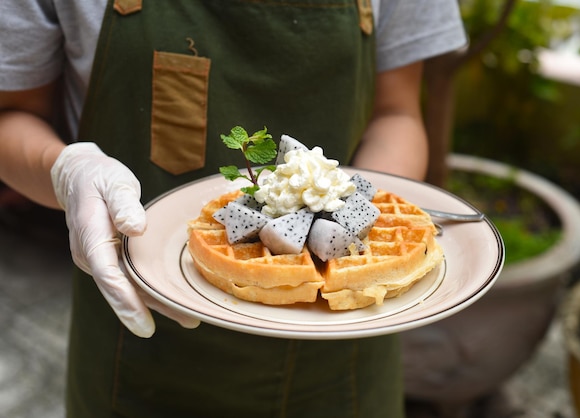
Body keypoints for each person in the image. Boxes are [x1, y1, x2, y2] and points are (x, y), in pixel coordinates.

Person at [0, 1, 467, 416]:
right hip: (142, 345)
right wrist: (65, 170)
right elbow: (12, 114)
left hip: (346, 346)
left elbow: (398, 112)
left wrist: (364, 219)